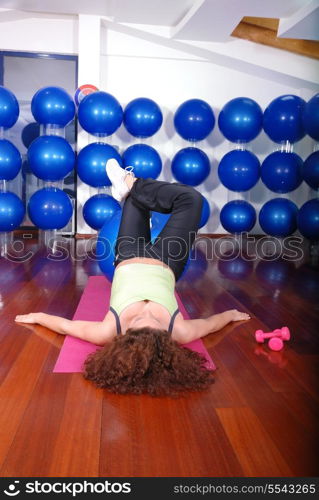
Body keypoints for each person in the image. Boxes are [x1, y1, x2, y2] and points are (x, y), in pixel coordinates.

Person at [15, 159, 250, 396]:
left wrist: (36, 316)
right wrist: (232, 314)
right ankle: (130, 183)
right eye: (155, 321)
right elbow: (211, 325)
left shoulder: (107, 331)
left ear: (125, 336)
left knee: (135, 199)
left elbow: (66, 326)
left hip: (127, 254)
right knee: (191, 200)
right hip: (168, 260)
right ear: (165, 339)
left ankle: (130, 188)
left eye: (137, 320)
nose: (146, 312)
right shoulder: (180, 331)